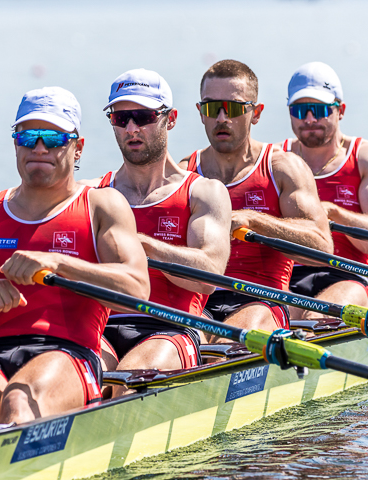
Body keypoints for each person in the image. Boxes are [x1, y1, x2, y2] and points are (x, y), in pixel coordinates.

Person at [0, 87, 149, 426]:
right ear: (16, 143)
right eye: (28, 137)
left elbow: (137, 289)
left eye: (53, 138)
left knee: (19, 403)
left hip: (67, 353)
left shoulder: (102, 205)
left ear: (77, 148)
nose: (39, 147)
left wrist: (57, 263)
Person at [91, 69, 231, 392]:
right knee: (76, 378)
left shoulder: (204, 193)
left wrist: (140, 246)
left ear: (171, 119)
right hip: (103, 330)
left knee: (120, 384)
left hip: (173, 329)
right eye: (120, 118)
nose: (131, 128)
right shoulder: (94, 194)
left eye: (143, 116)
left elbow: (208, 277)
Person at [182, 59, 333, 341]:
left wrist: (252, 220)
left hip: (261, 302)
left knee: (228, 340)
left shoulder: (282, 168)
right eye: (213, 108)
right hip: (199, 304)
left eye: (235, 108)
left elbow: (322, 247)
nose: (222, 119)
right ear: (201, 113)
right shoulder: (185, 174)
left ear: (256, 113)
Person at [278, 62, 368, 318]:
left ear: (340, 110)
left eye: (318, 109)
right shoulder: (276, 160)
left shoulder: (367, 158)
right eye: (300, 111)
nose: (309, 119)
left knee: (316, 316)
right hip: (287, 278)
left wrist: (333, 213)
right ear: (289, 113)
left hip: (347, 277)